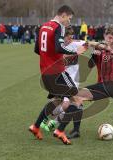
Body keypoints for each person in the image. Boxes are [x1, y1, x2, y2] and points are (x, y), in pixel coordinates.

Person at [29, 5, 86, 145]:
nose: (69, 22)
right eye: (69, 19)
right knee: (77, 100)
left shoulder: (43, 26)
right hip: (57, 72)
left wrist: (49, 58)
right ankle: (60, 130)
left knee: (57, 101)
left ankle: (36, 126)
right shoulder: (58, 26)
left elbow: (37, 49)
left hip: (45, 74)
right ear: (63, 15)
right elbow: (58, 47)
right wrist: (75, 52)